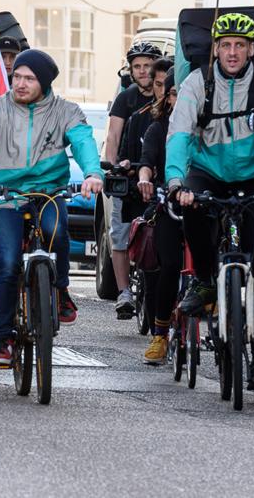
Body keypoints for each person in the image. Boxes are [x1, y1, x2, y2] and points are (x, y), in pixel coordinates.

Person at [166, 12, 254, 392]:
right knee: (190, 206)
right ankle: (206, 280)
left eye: (240, 45)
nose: (233, 52)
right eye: (226, 45)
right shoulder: (197, 82)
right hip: (208, 171)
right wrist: (175, 182)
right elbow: (179, 132)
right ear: (216, 50)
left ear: (252, 50)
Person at [0, 50, 103, 366]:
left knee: (56, 232)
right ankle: (1, 340)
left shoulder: (65, 111)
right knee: (8, 261)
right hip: (3, 196)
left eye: (29, 78)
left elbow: (83, 142)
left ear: (44, 83)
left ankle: (60, 290)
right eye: (16, 76)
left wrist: (93, 173)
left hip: (48, 192)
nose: (20, 83)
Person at [103, 41, 163, 319]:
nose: (142, 71)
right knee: (120, 233)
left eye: (147, 65)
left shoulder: (167, 95)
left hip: (158, 174)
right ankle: (124, 292)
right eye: (137, 66)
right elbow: (113, 135)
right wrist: (113, 166)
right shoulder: (125, 98)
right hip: (128, 174)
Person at [136, 68, 181, 364]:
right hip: (170, 205)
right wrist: (144, 179)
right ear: (167, 98)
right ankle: (160, 335)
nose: (179, 100)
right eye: (175, 93)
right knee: (170, 266)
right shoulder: (158, 128)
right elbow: (147, 161)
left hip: (203, 204)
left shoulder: (208, 127)